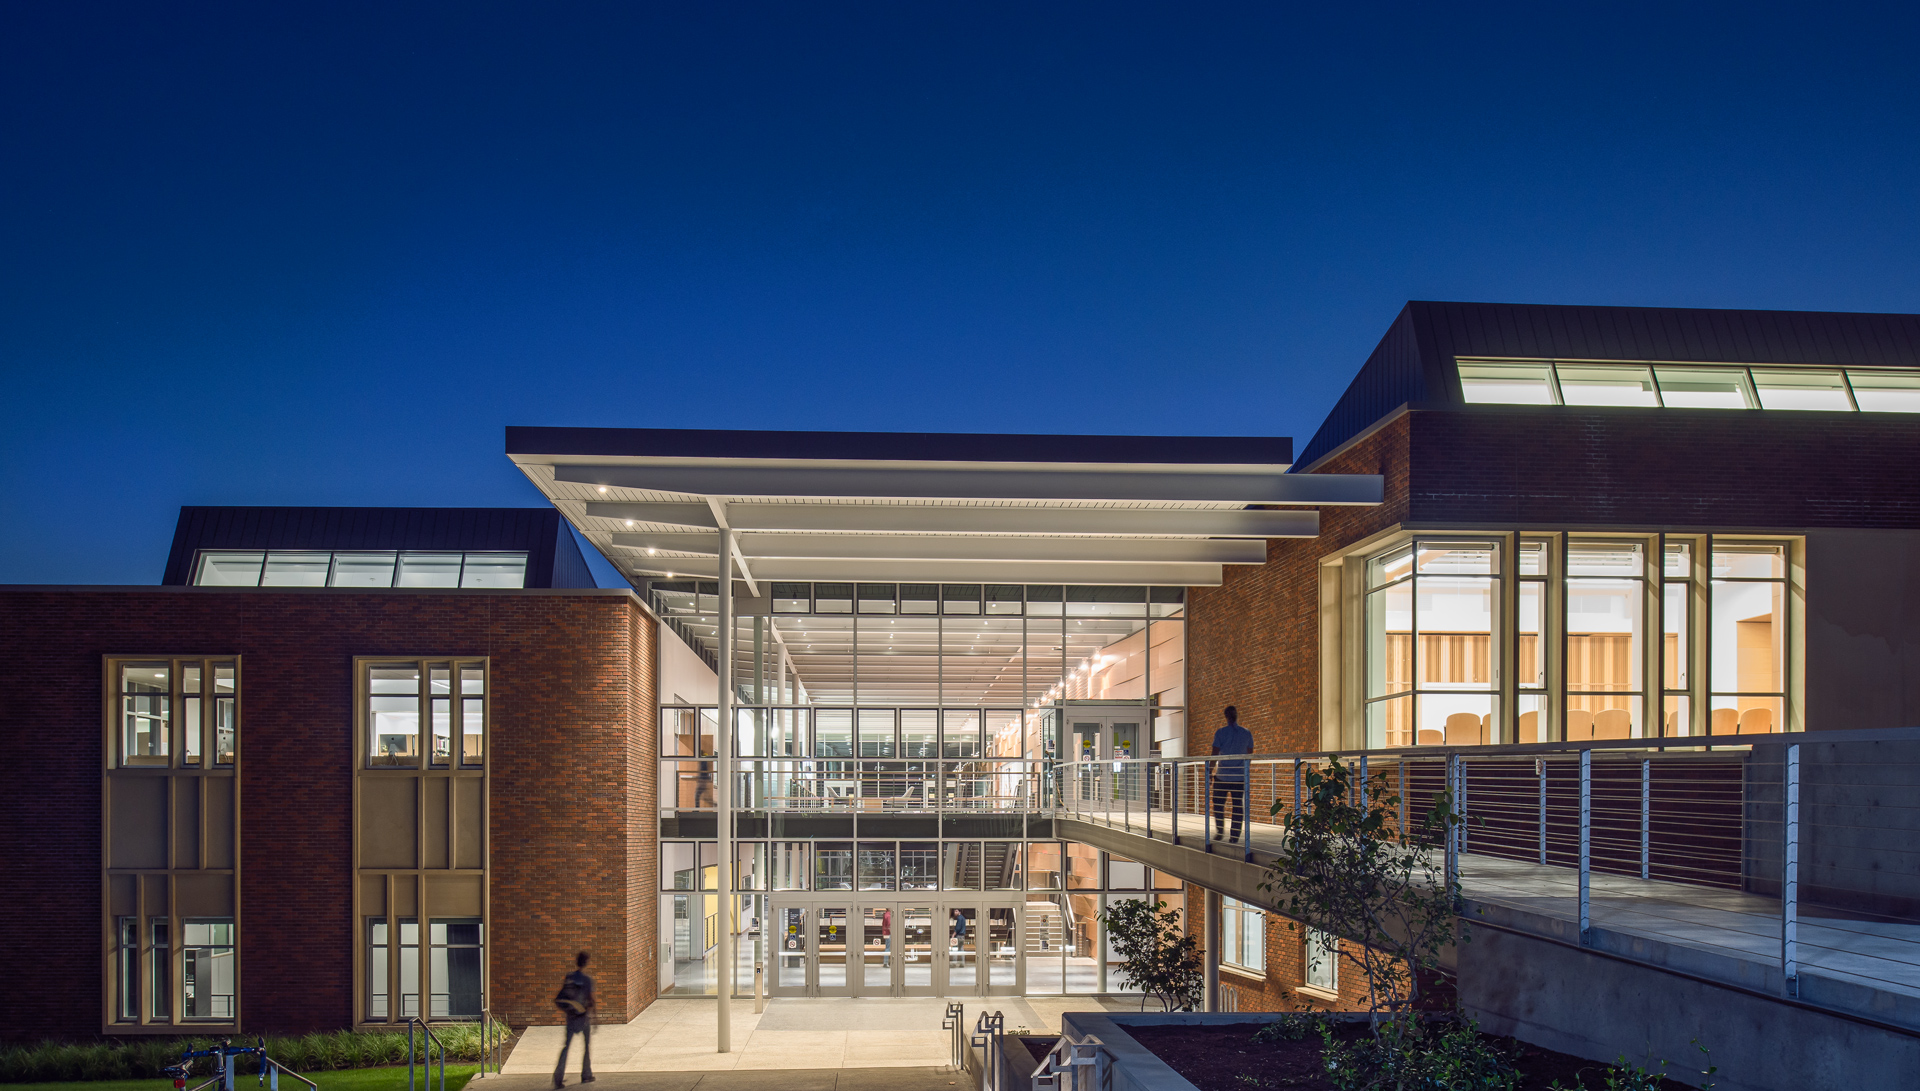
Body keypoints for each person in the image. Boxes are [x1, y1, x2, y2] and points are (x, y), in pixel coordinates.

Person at [553, 950, 596, 1088]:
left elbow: (564, 996)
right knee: (586, 1046)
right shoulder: (587, 980)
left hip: (571, 1017)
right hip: (583, 1017)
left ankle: (558, 1078)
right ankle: (586, 1075)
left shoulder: (569, 977)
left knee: (566, 1046)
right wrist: (595, 1017)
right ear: (586, 963)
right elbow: (591, 999)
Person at [1210, 706, 1254, 844]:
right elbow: (1250, 752)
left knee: (1218, 804)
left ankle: (1220, 831)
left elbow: (1214, 754)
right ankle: (1234, 835)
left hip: (1222, 775)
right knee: (1237, 806)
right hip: (1239, 776)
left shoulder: (1221, 733)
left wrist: (1209, 772)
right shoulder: (1246, 733)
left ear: (1226, 716)